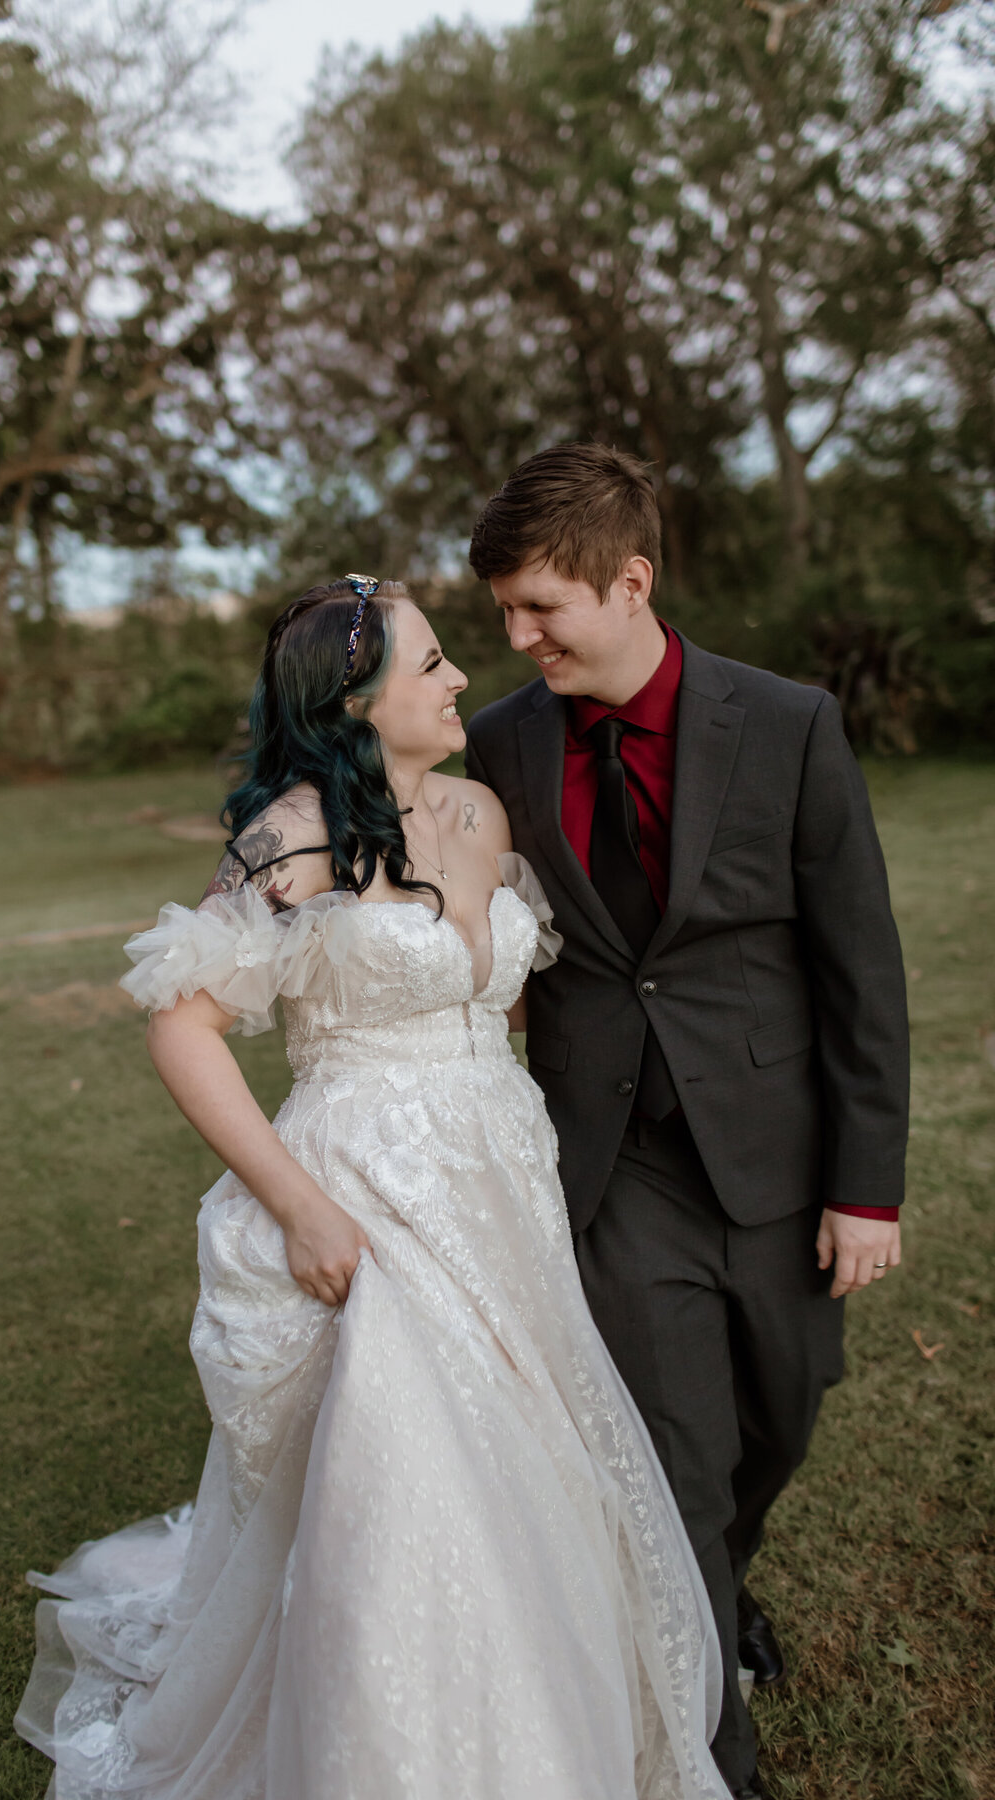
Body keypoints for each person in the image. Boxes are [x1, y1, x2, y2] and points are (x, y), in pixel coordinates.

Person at [15, 576, 733, 1800]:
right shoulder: (289, 839)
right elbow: (184, 1031)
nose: (463, 679)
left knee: (528, 1450)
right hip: (366, 1177)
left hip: (498, 1177)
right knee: (410, 1467)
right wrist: (298, 1202)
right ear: (357, 700)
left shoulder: (478, 814)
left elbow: (499, 1000)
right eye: (436, 662)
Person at [463, 444, 910, 1800]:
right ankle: (723, 1754)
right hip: (614, 1168)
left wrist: (868, 1188)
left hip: (778, 1163)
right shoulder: (500, 743)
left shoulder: (786, 726)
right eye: (504, 615)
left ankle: (723, 1583)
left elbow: (861, 971)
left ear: (631, 579)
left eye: (542, 607)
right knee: (676, 1465)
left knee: (784, 1416)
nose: (520, 637)